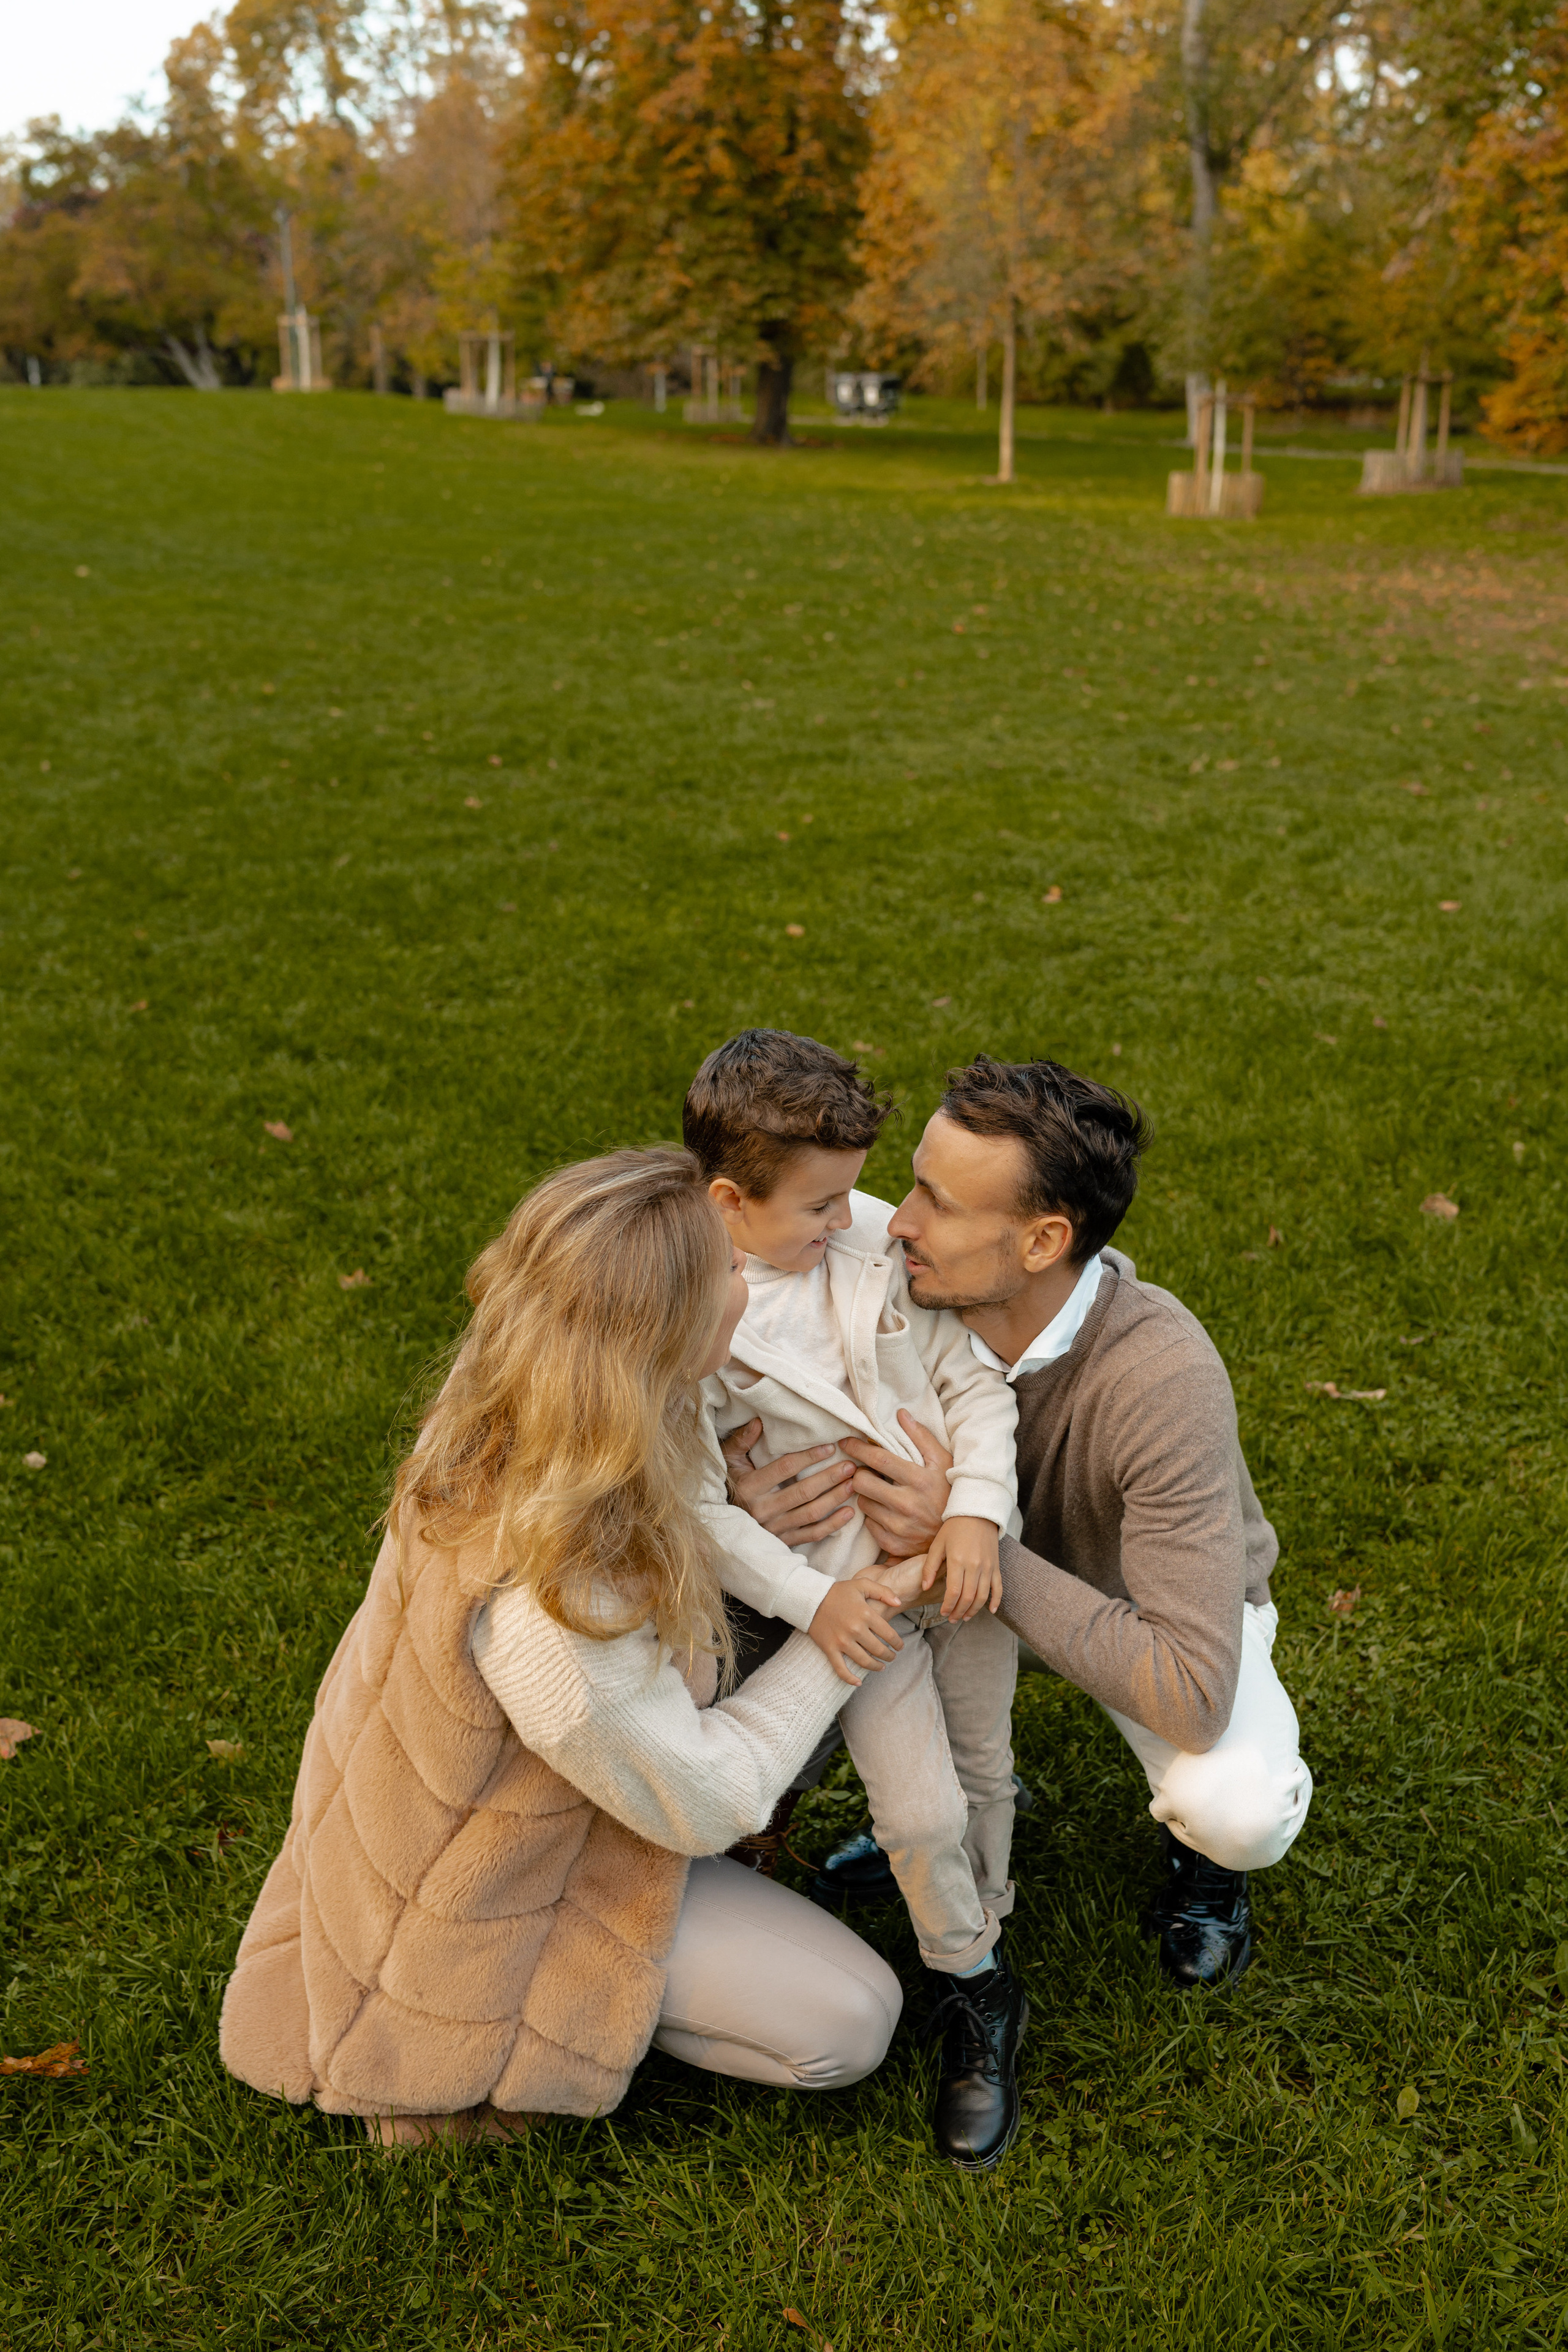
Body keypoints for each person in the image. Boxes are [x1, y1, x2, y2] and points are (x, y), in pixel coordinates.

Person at [219, 1149, 905, 2146]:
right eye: (725, 1270)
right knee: (850, 2023)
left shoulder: (538, 1397)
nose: (748, 1280)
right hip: (496, 1887)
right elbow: (713, 1797)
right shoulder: (549, 1603)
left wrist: (723, 1528)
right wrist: (854, 1623)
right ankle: (497, 2050)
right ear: (660, 1328)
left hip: (507, 1794)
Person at [723, 1057, 1312, 1992]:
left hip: (1136, 1609)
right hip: (924, 1590)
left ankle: (1210, 1870)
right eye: (912, 1180)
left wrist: (974, 1540)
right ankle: (940, 1811)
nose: (897, 1220)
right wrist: (742, 1499)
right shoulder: (879, 1267)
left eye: (937, 1202)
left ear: (1041, 1243)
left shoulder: (1163, 1380)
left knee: (1234, 1801)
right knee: (770, 1694)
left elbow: (1193, 1688)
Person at [684, 1030, 1027, 2172]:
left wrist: (973, 1511)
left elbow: (974, 1385)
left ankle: (975, 1973)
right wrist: (809, 1601)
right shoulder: (686, 1313)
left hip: (958, 1573)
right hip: (850, 1609)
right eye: (821, 1205)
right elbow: (703, 1510)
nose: (857, 1220)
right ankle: (972, 1975)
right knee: (922, 1811)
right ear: (728, 1202)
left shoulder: (870, 1239)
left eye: (854, 1194)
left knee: (982, 1774)